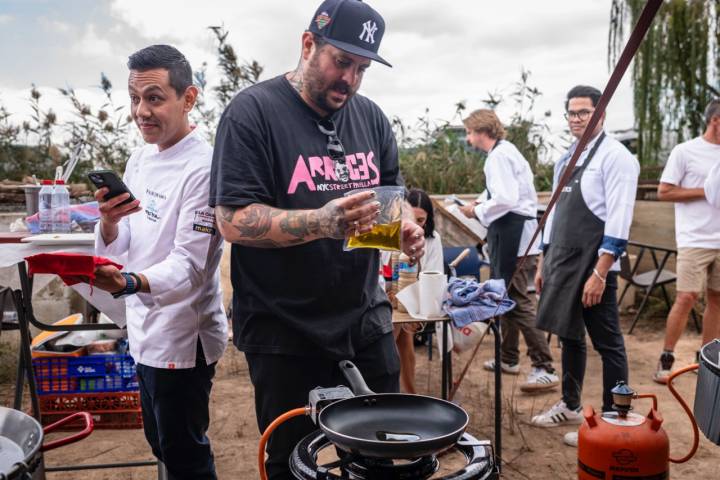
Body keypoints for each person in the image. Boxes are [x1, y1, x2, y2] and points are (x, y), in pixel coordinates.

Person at [208, 1, 425, 478]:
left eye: (362, 67)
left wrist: (404, 226)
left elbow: (391, 198)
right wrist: (322, 222)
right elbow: (232, 219)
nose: (350, 78)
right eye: (341, 61)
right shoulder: (253, 113)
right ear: (308, 45)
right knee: (291, 461)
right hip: (285, 330)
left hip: (363, 320)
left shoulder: (370, 118)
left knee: (382, 452)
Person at [89, 45, 228, 479]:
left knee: (185, 453)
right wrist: (110, 225)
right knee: (161, 444)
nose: (141, 111)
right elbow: (128, 235)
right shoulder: (141, 157)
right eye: (134, 98)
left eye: (154, 98)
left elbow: (190, 266)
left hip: (183, 336)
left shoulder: (204, 168)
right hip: (143, 327)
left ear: (189, 98)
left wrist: (129, 282)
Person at [530, 86, 639, 448]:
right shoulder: (566, 159)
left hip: (594, 264)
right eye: (572, 113)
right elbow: (557, 212)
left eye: (584, 112)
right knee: (569, 335)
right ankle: (571, 405)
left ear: (601, 113)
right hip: (563, 258)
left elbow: (619, 220)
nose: (576, 119)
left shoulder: (617, 158)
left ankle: (613, 418)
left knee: (608, 343)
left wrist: (600, 272)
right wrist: (545, 259)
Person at [459, 109, 559, 392]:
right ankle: (509, 358)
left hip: (516, 236)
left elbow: (505, 198)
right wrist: (476, 204)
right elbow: (499, 193)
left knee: (516, 298)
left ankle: (544, 366)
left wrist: (476, 210)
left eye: (469, 132)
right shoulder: (506, 151)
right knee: (506, 295)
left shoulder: (499, 157)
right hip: (515, 232)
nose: (468, 138)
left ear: (481, 131)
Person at [653, 99, 720, 383]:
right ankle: (667, 358)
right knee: (686, 297)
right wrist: (706, 191)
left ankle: (705, 360)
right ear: (716, 120)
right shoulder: (686, 151)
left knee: (717, 300)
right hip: (694, 238)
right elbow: (664, 192)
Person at [392, 188, 444, 394]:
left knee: (401, 338)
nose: (416, 225)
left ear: (429, 218)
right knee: (398, 338)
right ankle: (402, 393)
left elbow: (434, 273)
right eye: (412, 218)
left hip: (419, 299)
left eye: (421, 220)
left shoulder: (433, 240)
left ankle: (405, 394)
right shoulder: (395, 235)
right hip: (395, 296)